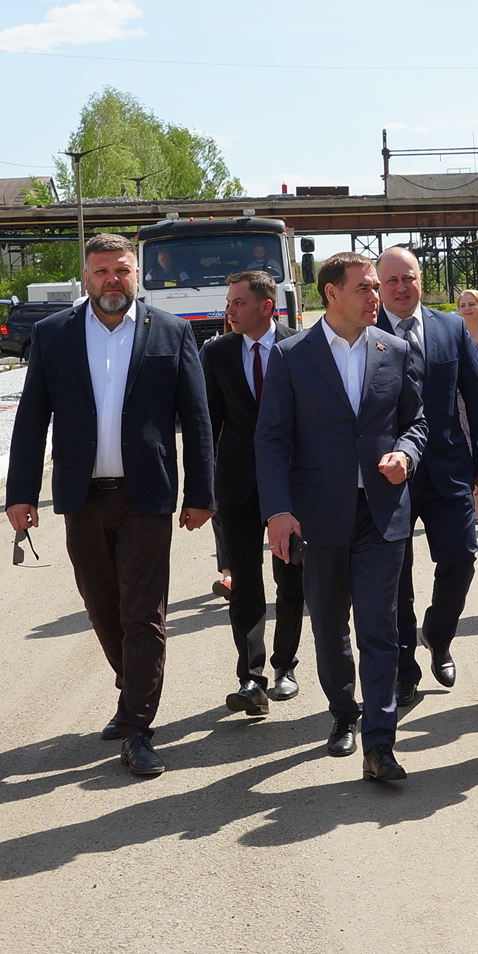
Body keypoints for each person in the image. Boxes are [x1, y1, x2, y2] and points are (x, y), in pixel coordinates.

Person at [6, 233, 215, 777]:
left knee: (142, 613)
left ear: (137, 273)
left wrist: (201, 495)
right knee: (101, 608)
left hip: (146, 497)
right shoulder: (53, 334)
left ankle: (138, 728)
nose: (112, 280)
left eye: (122, 270)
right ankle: (132, 691)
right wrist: (20, 493)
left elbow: (197, 419)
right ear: (86, 277)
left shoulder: (171, 332)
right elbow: (32, 418)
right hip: (82, 497)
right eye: (101, 271)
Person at [257, 251, 428, 783]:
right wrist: (278, 511)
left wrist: (406, 454)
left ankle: (380, 744)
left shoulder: (395, 349)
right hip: (318, 515)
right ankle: (342, 711)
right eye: (365, 288)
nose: (377, 296)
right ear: (331, 294)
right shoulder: (291, 356)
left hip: (381, 512)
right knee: (330, 625)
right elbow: (272, 440)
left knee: (379, 627)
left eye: (377, 287)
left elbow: (416, 422)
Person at [378, 246, 478, 701]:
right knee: (396, 577)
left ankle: (438, 636)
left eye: (409, 278)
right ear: (380, 287)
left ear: (421, 281)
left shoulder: (450, 328)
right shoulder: (366, 329)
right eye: (392, 281)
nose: (401, 287)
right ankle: (404, 670)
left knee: (461, 559)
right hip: (390, 475)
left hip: (449, 470)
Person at [202, 269, 301, 718]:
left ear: (267, 306)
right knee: (244, 581)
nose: (230, 311)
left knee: (291, 578)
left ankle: (285, 668)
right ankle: (251, 678)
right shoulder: (217, 353)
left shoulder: (299, 347)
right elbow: (207, 425)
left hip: (291, 485)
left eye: (238, 303)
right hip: (237, 486)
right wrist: (203, 488)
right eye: (229, 303)